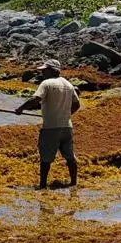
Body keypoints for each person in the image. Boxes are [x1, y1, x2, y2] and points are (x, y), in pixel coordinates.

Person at [15, 59, 80, 189]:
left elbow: (35, 99)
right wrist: (65, 115)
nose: (42, 73)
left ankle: (42, 185)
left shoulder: (46, 83)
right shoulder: (68, 84)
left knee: (45, 157)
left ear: (52, 70)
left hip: (51, 128)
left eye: (44, 70)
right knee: (69, 156)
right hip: (67, 127)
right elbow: (77, 104)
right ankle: (73, 182)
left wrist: (20, 108)